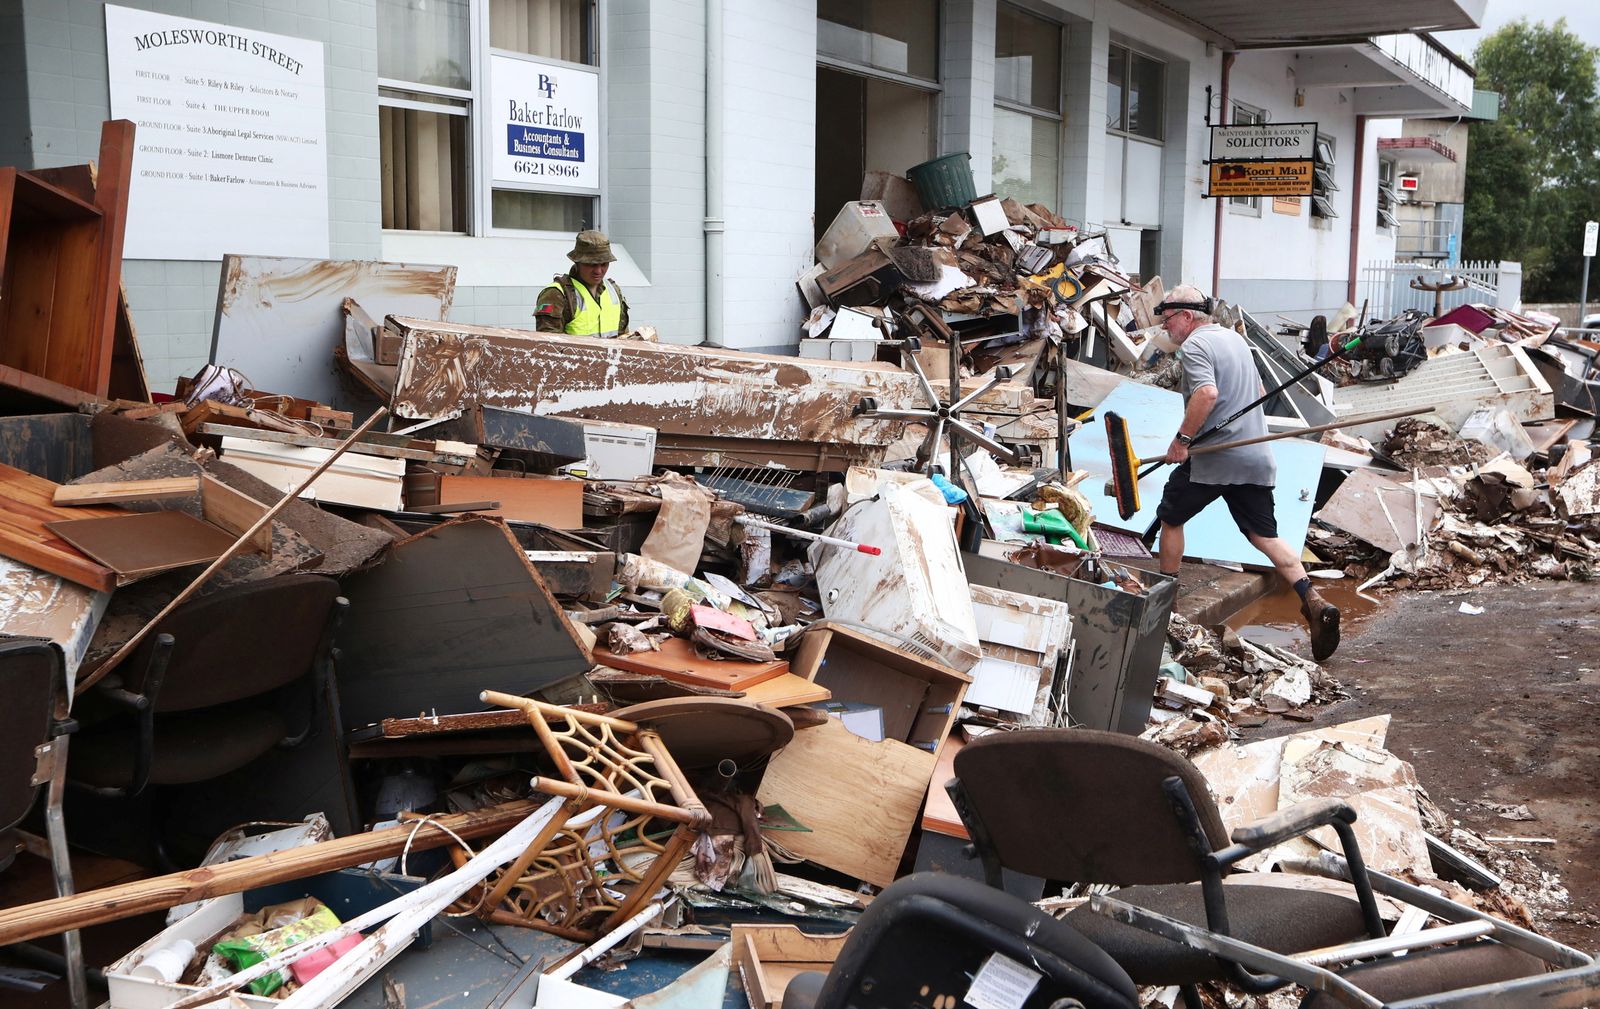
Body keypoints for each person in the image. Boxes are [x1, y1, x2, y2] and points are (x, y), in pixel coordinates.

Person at [1151, 285, 1341, 661]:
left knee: (1170, 518)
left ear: (1188, 317)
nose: (1165, 326)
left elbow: (1206, 394)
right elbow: (1255, 389)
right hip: (1254, 455)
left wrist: (1182, 440)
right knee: (1264, 535)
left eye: (1168, 318)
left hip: (1213, 458)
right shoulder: (1235, 340)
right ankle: (1313, 600)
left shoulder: (1194, 347)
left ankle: (1168, 616)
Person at [535, 230, 630, 337]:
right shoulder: (557, 295)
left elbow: (623, 338)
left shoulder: (614, 291)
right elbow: (549, 346)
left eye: (603, 264)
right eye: (592, 264)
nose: (598, 271)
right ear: (577, 262)